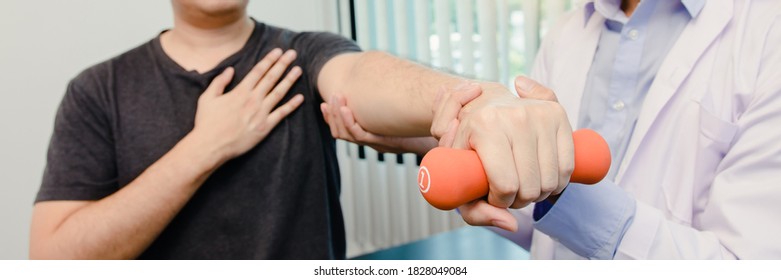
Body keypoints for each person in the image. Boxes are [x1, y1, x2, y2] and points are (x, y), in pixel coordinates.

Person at [29, 0, 575, 259]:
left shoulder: (304, 54)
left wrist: (477, 101)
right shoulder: (97, 90)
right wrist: (203, 149)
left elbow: (363, 77)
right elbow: (54, 260)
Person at [324, 0, 781, 259]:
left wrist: (568, 195)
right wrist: (471, 157)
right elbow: (538, 224)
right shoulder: (568, 33)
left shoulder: (765, 34)